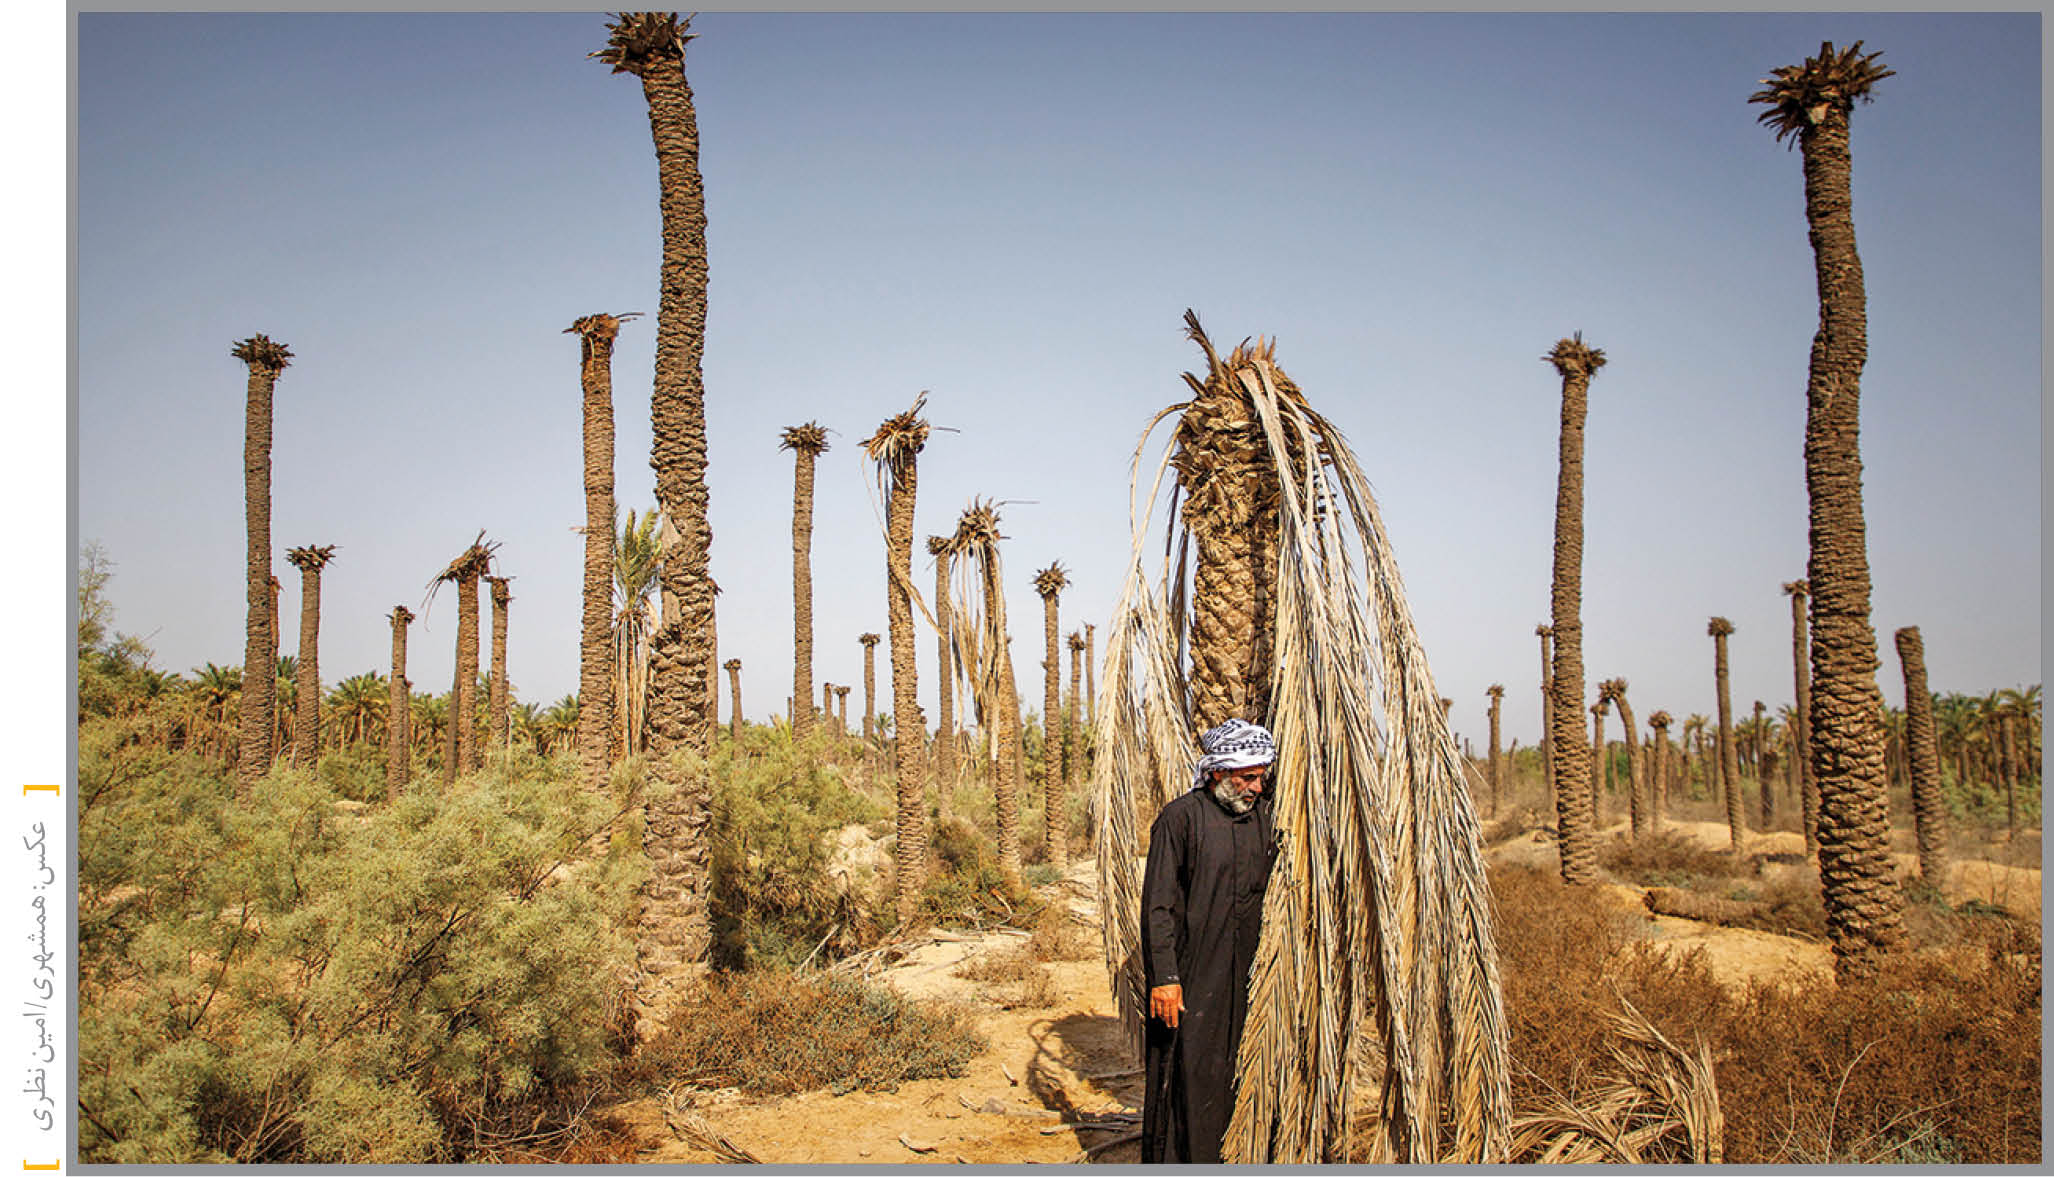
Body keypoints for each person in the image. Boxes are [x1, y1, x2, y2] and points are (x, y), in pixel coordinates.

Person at [1139, 718, 1279, 1164]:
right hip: (1193, 976)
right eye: (1247, 777)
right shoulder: (1180, 819)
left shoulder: (1264, 820)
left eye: (1261, 777)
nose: (1256, 787)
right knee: (1188, 1076)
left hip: (1250, 977)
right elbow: (1157, 906)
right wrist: (1165, 978)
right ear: (1217, 771)